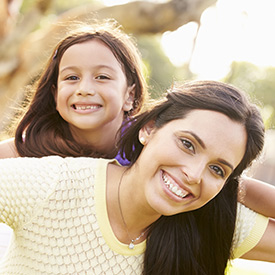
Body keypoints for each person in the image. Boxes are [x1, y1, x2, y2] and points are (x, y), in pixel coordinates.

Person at [0, 80, 273, 275]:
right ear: (149, 129)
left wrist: (228, 187)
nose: (193, 174)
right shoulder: (54, 185)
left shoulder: (208, 224)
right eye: (187, 144)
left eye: (217, 169)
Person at [0, 20, 148, 160]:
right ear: (55, 94)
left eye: (102, 77)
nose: (84, 89)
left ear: (130, 96)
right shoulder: (22, 152)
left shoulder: (147, 151)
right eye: (72, 78)